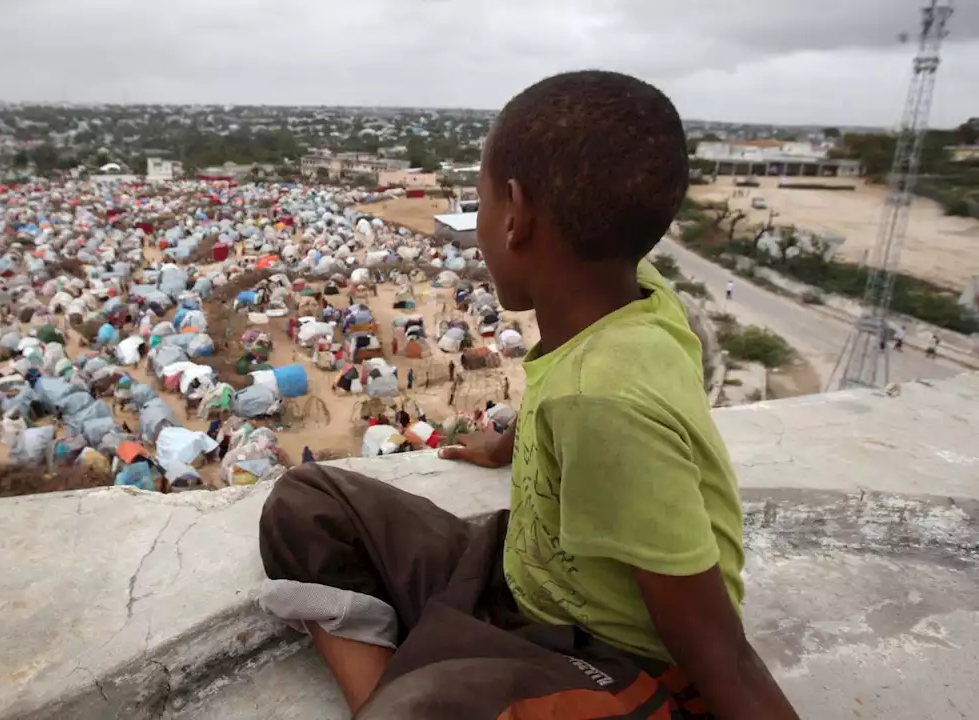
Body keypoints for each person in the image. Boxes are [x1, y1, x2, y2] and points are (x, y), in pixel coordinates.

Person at [257, 71, 797, 719]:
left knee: (421, 708)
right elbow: (564, 390)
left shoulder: (606, 400)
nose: (476, 225)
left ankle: (408, 692)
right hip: (516, 575)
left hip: (607, 658)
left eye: (479, 203)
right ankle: (405, 687)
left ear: (516, 212)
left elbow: (721, 652)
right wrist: (507, 443)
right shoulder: (628, 289)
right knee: (306, 501)